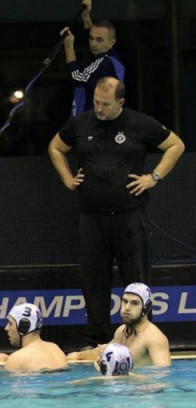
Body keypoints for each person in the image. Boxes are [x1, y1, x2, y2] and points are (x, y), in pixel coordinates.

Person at [48, 77, 184, 347]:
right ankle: (97, 339)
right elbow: (55, 147)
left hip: (129, 216)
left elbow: (176, 145)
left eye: (105, 104)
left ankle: (141, 340)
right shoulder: (81, 122)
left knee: (136, 281)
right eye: (96, 102)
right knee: (93, 280)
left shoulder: (139, 123)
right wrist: (67, 178)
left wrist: (153, 177)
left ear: (120, 102)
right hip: (91, 216)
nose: (98, 108)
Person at [67, 283, 171, 367]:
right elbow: (104, 350)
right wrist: (78, 356)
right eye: (125, 301)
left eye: (134, 303)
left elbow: (162, 376)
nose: (127, 308)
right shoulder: (122, 331)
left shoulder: (154, 338)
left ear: (146, 307)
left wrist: (122, 374)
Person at [60, 0, 125, 116]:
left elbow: (77, 78)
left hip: (93, 121)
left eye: (99, 40)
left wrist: (68, 46)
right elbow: (93, 33)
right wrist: (86, 15)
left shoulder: (103, 63)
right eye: (91, 39)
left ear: (112, 42)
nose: (93, 44)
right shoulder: (112, 58)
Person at [0, 303, 68, 372]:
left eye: (10, 323)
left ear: (23, 327)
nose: (6, 328)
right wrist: (8, 358)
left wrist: (1, 364)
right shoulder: (56, 349)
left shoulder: (17, 359)